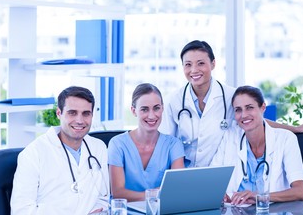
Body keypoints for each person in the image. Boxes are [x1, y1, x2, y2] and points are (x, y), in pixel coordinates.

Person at [159, 40, 303, 167]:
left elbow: (257, 122)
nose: (194, 70)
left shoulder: (230, 96)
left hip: (219, 175)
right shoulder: (174, 100)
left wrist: (296, 129)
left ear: (213, 64)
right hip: (184, 176)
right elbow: (166, 143)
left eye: (201, 63)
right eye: (188, 64)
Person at [11, 86, 109, 215]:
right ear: (59, 113)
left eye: (86, 113)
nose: (79, 120)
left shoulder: (98, 148)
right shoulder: (33, 154)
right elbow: (21, 211)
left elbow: (103, 198)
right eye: (72, 112)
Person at [211, 85, 303, 205]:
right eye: (238, 110)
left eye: (249, 108)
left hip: (273, 211)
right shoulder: (230, 137)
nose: (244, 115)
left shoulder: (286, 139)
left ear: (263, 108)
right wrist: (220, 195)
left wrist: (260, 196)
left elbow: (300, 192)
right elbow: (213, 181)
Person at [108, 83, 185, 202]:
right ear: (134, 111)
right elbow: (118, 193)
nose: (151, 115)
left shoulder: (173, 145)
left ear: (162, 109)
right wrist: (155, 195)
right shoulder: (118, 144)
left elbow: (177, 188)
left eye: (156, 108)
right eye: (144, 109)